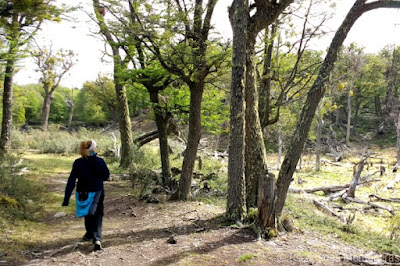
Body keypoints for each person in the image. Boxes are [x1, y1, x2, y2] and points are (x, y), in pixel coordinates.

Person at [62, 140, 110, 251]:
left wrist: (66, 198)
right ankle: (96, 238)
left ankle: (89, 234)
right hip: (97, 191)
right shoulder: (99, 161)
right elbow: (106, 175)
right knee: (97, 213)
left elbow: (71, 180)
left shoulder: (78, 162)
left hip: (82, 192)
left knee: (87, 212)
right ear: (94, 149)